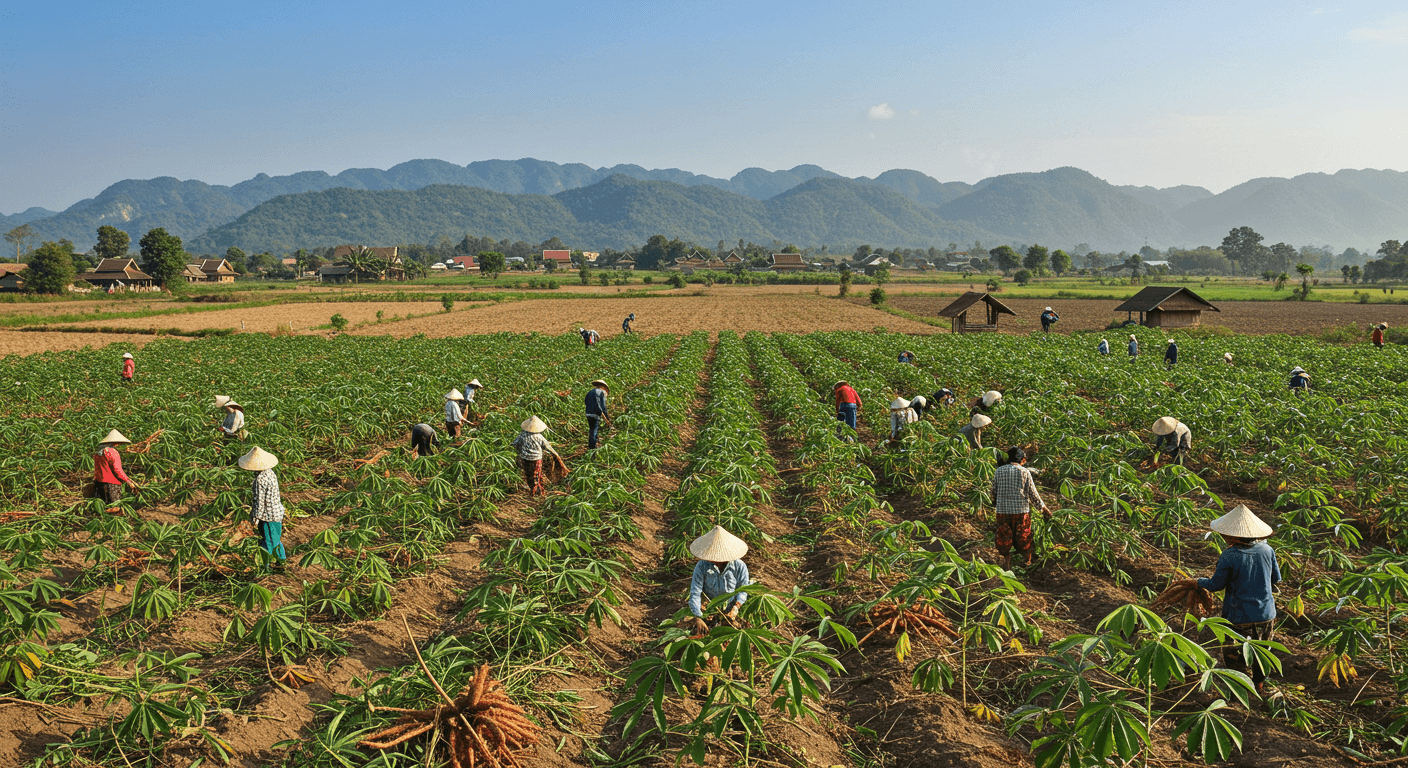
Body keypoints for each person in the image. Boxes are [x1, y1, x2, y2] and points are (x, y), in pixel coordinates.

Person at [1192, 505, 1281, 694]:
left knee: (1235, 656)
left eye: (1225, 534)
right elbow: (1275, 579)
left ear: (1233, 536)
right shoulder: (1267, 550)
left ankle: (1240, 690)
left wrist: (1198, 582)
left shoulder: (1230, 555)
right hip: (1266, 613)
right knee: (1262, 653)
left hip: (1239, 616)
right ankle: (1259, 685)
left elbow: (1216, 585)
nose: (1223, 537)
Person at [991, 447, 1049, 569]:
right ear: (1022, 460)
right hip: (1021, 511)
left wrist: (996, 503)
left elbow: (994, 491)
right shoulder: (1024, 472)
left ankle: (1005, 562)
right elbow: (1033, 494)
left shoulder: (999, 471)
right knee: (1024, 536)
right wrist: (1043, 508)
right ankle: (1027, 563)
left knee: (1003, 536)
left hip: (1002, 511)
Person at [687, 525, 751, 633]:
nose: (715, 559)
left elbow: (743, 588)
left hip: (731, 609)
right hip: (709, 609)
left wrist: (736, 606)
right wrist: (698, 617)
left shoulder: (739, 566)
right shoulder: (702, 566)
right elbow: (695, 592)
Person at [240, 446, 287, 570]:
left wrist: (255, 518)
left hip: (268, 516)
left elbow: (260, 502)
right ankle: (281, 563)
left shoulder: (260, 480)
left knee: (268, 542)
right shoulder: (271, 473)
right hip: (277, 513)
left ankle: (266, 566)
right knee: (275, 540)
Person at [511, 416, 557, 495]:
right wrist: (555, 454)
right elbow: (547, 447)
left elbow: (515, 444)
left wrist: (517, 450)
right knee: (536, 474)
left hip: (525, 458)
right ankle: (537, 491)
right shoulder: (539, 437)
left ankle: (533, 489)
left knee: (528, 474)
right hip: (536, 459)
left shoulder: (522, 435)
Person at [93, 429, 137, 504]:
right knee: (113, 506)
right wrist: (129, 482)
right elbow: (117, 470)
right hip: (111, 484)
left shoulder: (98, 452)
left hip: (98, 483)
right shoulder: (112, 452)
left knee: (102, 506)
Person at [585, 379, 610, 449]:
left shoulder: (589, 392)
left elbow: (586, 402)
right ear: (603, 387)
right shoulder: (601, 392)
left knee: (592, 429)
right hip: (596, 414)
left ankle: (593, 444)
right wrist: (607, 419)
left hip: (588, 414)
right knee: (594, 430)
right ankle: (592, 448)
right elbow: (603, 406)